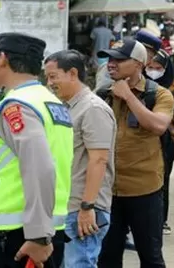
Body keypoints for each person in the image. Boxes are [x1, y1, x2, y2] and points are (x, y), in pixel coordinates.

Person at [0, 33, 73, 268]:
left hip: (18, 234)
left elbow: (39, 166)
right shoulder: (51, 103)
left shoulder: (17, 106)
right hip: (46, 227)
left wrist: (38, 235)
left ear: (3, 59)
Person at [96, 39, 173, 268]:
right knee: (107, 258)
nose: (111, 64)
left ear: (139, 63)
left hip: (145, 191)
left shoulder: (159, 95)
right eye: (110, 59)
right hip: (108, 192)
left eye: (119, 60)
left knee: (151, 258)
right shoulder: (102, 95)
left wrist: (129, 96)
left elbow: (159, 126)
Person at [44, 50, 115, 267]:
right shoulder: (65, 108)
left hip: (83, 210)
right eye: (47, 77)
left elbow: (99, 160)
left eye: (54, 76)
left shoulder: (92, 109)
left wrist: (87, 207)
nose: (49, 83)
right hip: (68, 207)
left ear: (73, 73)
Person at [145, 50, 174, 236]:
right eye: (150, 67)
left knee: (163, 179)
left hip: (168, 138)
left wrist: (167, 112)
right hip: (146, 138)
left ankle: (161, 220)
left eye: (158, 68)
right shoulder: (143, 84)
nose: (154, 71)